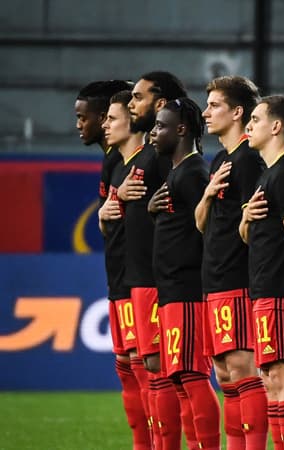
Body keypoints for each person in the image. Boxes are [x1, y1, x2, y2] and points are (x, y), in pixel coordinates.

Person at [193, 75, 267, 450]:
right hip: (214, 278)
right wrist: (206, 195)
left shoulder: (250, 159)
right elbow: (202, 224)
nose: (206, 112)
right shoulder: (221, 159)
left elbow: (257, 226)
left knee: (242, 368)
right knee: (223, 373)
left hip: (238, 278)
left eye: (215, 105)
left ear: (238, 112)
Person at [119, 71, 188, 450]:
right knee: (150, 367)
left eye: (138, 97)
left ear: (161, 103)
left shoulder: (165, 156)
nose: (132, 104)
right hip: (143, 276)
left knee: (165, 370)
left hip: (160, 279)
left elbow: (180, 206)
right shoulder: (147, 153)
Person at [148, 97, 221, 450]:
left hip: (188, 290)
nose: (153, 133)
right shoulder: (178, 172)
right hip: (170, 291)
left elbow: (208, 230)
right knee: (178, 378)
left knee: (192, 375)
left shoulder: (194, 174)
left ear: (181, 129)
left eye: (160, 126)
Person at [240, 95, 284, 450]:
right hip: (265, 289)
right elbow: (254, 235)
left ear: (276, 126)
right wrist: (245, 220)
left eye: (255, 119)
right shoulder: (268, 173)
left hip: (281, 291)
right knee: (268, 377)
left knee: (281, 374)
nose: (249, 126)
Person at [88, 83, 150, 450]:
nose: (103, 125)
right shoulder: (116, 164)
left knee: (149, 370)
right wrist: (105, 210)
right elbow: (107, 220)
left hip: (143, 281)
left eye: (112, 118)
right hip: (119, 280)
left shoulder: (150, 161)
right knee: (127, 367)